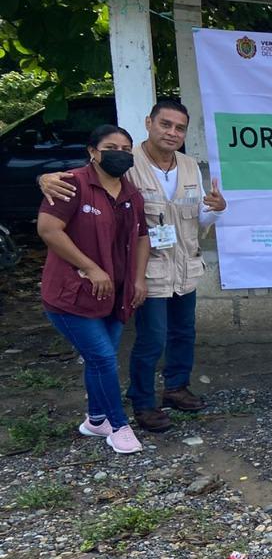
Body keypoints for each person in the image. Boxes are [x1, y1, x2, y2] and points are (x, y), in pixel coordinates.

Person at [40, 99, 226, 433]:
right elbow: (81, 181)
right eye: (165, 124)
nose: (172, 133)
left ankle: (176, 388)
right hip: (147, 270)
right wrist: (44, 177)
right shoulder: (126, 162)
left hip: (185, 266)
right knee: (152, 338)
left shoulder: (188, 166)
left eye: (179, 128)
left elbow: (198, 217)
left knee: (184, 332)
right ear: (149, 123)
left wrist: (216, 208)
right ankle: (143, 401)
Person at [36, 125, 149, 454]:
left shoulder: (131, 194)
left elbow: (142, 237)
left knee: (101, 359)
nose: (121, 153)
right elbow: (49, 229)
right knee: (102, 359)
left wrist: (138, 279)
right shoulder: (70, 183)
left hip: (115, 294)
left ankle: (96, 419)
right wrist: (89, 267)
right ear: (93, 152)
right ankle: (118, 425)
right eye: (112, 146)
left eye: (127, 148)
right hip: (70, 295)